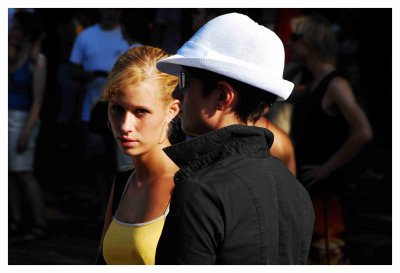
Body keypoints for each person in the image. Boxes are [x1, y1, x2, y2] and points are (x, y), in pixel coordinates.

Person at [154, 12, 314, 265]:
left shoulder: (201, 191)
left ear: (222, 96)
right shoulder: (296, 192)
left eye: (184, 80)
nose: (176, 92)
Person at [288, 14, 373, 264]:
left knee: (328, 253)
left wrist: (328, 168)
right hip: (311, 186)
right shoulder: (313, 82)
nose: (290, 43)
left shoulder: (335, 84)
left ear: (312, 42)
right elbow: (279, 92)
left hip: (327, 191)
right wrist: (296, 63)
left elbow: (363, 131)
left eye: (295, 38)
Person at [96, 46, 180, 265]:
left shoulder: (188, 186)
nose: (125, 126)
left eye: (140, 111)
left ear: (172, 111)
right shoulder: (124, 182)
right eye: (117, 109)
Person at [69, 8, 130, 219]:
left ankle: (121, 210)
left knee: (122, 166)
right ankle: (104, 208)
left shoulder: (129, 36)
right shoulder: (86, 36)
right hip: (93, 112)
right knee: (99, 164)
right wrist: (90, 75)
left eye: (116, 8)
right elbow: (73, 69)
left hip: (124, 116)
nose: (111, 12)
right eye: (107, 7)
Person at [8, 11, 47, 240]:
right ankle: (15, 219)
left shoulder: (38, 59)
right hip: (6, 116)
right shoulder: (11, 54)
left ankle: (39, 222)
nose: (13, 32)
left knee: (23, 171)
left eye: (18, 29)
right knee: (9, 173)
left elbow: (38, 101)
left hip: (23, 118)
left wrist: (25, 132)